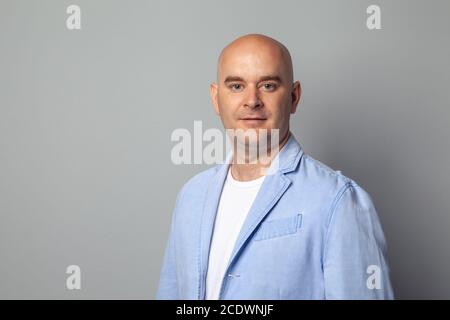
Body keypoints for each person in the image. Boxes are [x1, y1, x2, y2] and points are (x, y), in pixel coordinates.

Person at [156, 34, 394, 299]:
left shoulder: (338, 201)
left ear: (294, 97)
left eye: (268, 85)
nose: (251, 100)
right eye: (236, 86)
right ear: (216, 98)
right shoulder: (191, 196)